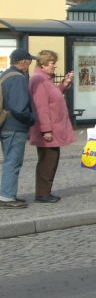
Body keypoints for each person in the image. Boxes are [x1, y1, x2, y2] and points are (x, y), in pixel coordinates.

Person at [28, 50, 75, 203]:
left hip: (52, 128)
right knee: (47, 162)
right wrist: (46, 130)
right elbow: (41, 107)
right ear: (43, 64)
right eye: (52, 63)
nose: (55, 66)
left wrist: (64, 84)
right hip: (47, 130)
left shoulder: (45, 79)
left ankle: (45, 192)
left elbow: (53, 97)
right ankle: (42, 194)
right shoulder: (39, 80)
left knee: (51, 160)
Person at [0, 49, 37, 209]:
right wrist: (32, 118)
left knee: (10, 160)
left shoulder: (5, 75)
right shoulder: (18, 79)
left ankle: (7, 194)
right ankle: (7, 197)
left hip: (5, 124)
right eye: (29, 60)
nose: (30, 63)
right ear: (23, 62)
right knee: (13, 162)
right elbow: (19, 107)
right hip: (14, 126)